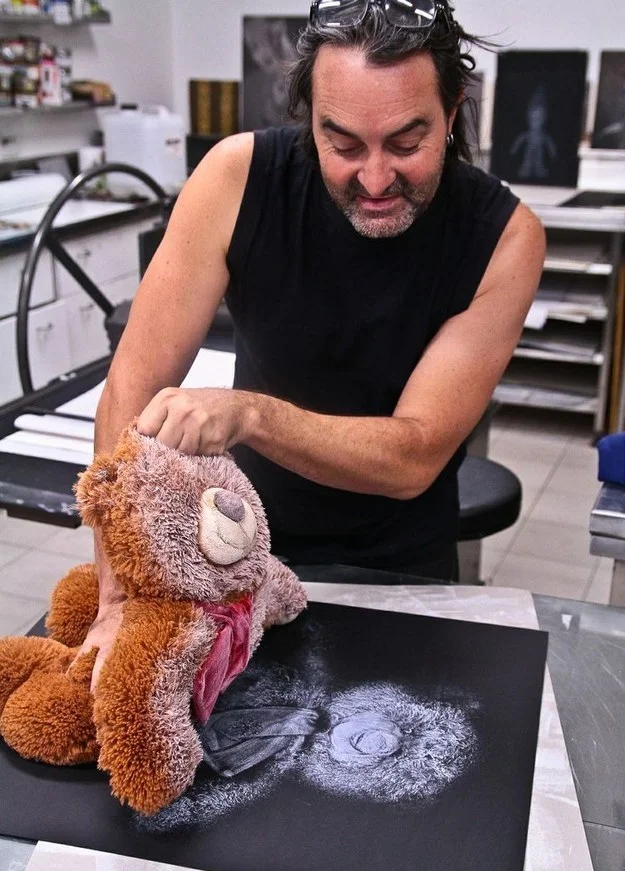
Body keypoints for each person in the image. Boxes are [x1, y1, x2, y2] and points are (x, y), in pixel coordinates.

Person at [83, 0, 546, 684]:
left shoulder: (502, 237)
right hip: (230, 550)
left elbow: (413, 455)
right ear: (311, 118)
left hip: (397, 574)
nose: (375, 179)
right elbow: (131, 386)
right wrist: (116, 594)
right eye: (344, 144)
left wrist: (250, 413)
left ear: (451, 113)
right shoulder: (237, 179)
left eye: (406, 143)